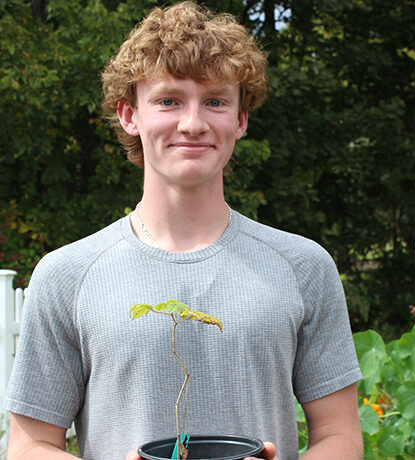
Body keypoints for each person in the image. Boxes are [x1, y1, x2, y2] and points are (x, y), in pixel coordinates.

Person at [3, 2, 363, 460]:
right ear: (129, 115)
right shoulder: (66, 275)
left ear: (240, 120)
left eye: (215, 101)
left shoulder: (304, 266)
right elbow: (30, 445)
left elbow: (341, 437)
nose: (192, 123)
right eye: (169, 100)